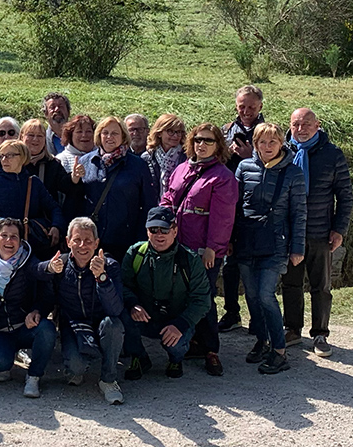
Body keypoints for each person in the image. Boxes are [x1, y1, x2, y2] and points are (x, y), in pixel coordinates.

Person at [160, 123, 239, 377]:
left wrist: (212, 249)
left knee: (203, 298)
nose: (201, 145)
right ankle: (190, 342)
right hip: (177, 244)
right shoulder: (182, 168)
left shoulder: (223, 177)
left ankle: (211, 349)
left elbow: (222, 218)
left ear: (218, 145)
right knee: (179, 296)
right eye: (197, 140)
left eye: (208, 141)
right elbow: (168, 200)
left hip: (202, 249)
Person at [233, 122, 305, 375]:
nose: (267, 147)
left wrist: (298, 248)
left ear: (281, 144)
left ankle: (279, 350)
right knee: (251, 296)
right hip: (246, 241)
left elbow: (299, 214)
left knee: (266, 295)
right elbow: (234, 207)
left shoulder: (293, 174)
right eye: (262, 142)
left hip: (276, 244)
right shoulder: (244, 168)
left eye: (272, 142)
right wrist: (230, 240)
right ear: (255, 144)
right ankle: (261, 341)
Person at [282, 108, 352, 355]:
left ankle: (320, 334)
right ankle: (291, 329)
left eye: (305, 124)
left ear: (317, 125)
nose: (300, 129)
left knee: (320, 286)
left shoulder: (332, 154)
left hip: (320, 232)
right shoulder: (283, 152)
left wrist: (339, 229)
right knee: (290, 283)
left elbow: (344, 196)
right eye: (295, 125)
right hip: (290, 232)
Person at [39, 218, 125, 404]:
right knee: (76, 368)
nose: (82, 245)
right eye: (77, 240)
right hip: (73, 324)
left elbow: (116, 309)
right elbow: (35, 272)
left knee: (114, 325)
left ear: (96, 243)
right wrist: (48, 269)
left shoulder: (110, 266)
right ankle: (76, 365)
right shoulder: (60, 264)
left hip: (101, 322)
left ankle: (108, 380)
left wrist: (102, 278)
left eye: (88, 241)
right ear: (68, 241)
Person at [121, 206, 212, 378]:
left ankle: (175, 359)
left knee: (176, 345)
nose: (159, 234)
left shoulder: (190, 260)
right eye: (153, 229)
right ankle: (139, 358)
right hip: (145, 316)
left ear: (175, 230)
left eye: (164, 229)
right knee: (120, 317)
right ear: (147, 231)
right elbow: (123, 287)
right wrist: (133, 304)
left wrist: (181, 324)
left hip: (176, 319)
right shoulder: (135, 253)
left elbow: (202, 300)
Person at [0, 218, 56, 397]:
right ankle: (7, 355)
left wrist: (37, 310)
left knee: (47, 329)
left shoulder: (28, 261)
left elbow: (41, 274)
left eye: (14, 237)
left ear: (21, 241)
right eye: (4, 236)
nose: (9, 241)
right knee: (0, 367)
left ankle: (34, 376)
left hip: (25, 326)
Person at [73, 115, 160, 260]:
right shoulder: (86, 161)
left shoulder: (138, 165)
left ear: (123, 137)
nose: (109, 137)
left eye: (114, 133)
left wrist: (142, 239)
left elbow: (148, 205)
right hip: (89, 240)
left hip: (124, 241)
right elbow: (75, 200)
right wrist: (74, 179)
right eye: (105, 133)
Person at [218, 85, 266, 333]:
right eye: (241, 106)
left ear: (260, 106)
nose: (246, 111)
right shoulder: (226, 131)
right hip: (229, 205)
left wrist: (251, 156)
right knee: (230, 264)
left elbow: (273, 167)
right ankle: (231, 312)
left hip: (256, 208)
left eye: (251, 106)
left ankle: (258, 317)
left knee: (253, 267)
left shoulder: (266, 132)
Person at [0, 138, 60, 258]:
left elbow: (53, 207)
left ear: (23, 157)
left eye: (10, 155)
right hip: (3, 248)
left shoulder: (33, 182)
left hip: (30, 246)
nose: (4, 160)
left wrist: (56, 226)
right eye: (2, 156)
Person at [20, 117, 72, 219]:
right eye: (31, 135)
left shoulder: (53, 165)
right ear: (21, 136)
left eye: (40, 136)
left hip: (43, 225)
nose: (35, 139)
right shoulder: (11, 162)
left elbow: (68, 189)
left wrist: (74, 178)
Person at [149, 113, 188, 187]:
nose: (175, 136)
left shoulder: (188, 157)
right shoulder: (148, 157)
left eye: (179, 132)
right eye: (170, 131)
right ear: (159, 133)